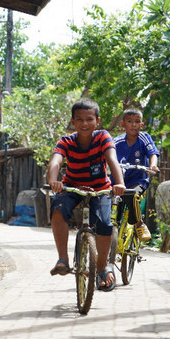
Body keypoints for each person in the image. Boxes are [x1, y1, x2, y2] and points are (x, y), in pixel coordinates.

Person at [47, 98, 126, 292]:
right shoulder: (66, 141)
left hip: (100, 188)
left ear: (97, 121)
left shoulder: (103, 137)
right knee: (58, 209)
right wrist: (53, 180)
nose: (84, 124)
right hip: (72, 187)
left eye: (89, 119)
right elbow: (56, 162)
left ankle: (102, 266)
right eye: (79, 120)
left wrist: (120, 183)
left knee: (104, 224)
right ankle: (63, 260)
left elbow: (112, 159)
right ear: (73, 122)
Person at [111, 108, 160, 242]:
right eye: (129, 121)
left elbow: (152, 153)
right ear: (123, 124)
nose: (133, 124)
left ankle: (139, 223)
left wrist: (153, 165)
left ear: (141, 124)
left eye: (137, 121)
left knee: (132, 194)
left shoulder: (144, 138)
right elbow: (106, 155)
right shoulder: (116, 142)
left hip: (138, 180)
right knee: (112, 208)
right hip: (118, 181)